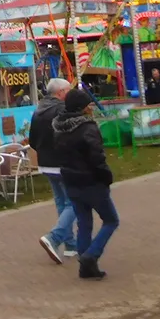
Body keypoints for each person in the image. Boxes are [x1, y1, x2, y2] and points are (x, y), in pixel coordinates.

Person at [52, 88, 119, 280]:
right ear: (82, 107)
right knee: (111, 220)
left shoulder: (59, 128)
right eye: (88, 104)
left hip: (71, 181)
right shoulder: (88, 128)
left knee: (84, 222)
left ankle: (85, 267)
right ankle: (91, 255)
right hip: (92, 181)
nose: (91, 107)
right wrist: (106, 177)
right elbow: (97, 157)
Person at [29, 78, 77, 265]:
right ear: (61, 92)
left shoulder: (38, 110)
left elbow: (32, 139)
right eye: (69, 90)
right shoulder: (61, 110)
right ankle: (54, 238)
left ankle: (71, 245)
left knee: (61, 202)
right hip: (62, 162)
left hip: (45, 163)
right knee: (74, 201)